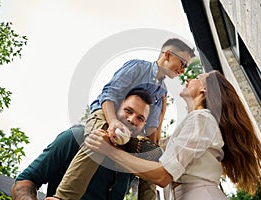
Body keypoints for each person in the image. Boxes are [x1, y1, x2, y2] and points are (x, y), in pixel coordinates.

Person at [85, 70, 261, 200]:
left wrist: (110, 152)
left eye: (197, 77)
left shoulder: (202, 119)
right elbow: (157, 149)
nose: (189, 79)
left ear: (204, 89)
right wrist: (160, 112)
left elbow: (163, 175)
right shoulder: (196, 123)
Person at [52, 38, 195, 200]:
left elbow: (151, 130)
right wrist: (113, 122)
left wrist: (154, 152)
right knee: (102, 138)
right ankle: (63, 197)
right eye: (183, 64)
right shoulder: (138, 67)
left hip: (131, 131)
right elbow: (108, 95)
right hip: (106, 115)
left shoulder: (161, 92)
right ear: (168, 55)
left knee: (155, 157)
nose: (183, 70)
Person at [11, 89, 153, 200]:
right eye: (128, 111)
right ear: (114, 109)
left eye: (140, 118)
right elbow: (24, 181)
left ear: (143, 125)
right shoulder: (76, 137)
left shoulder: (131, 163)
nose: (132, 120)